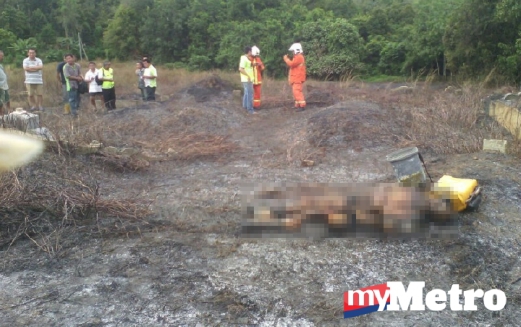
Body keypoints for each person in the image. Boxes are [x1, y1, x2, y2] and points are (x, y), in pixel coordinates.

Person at [283, 43, 307, 112]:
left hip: (298, 78)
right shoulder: (297, 57)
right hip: (296, 78)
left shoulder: (299, 57)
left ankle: (302, 106)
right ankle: (297, 105)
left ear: (296, 50)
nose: (292, 52)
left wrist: (286, 59)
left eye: (293, 51)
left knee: (297, 91)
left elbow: (291, 64)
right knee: (295, 92)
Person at [63, 54, 83, 118]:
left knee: (78, 98)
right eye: (67, 59)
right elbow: (68, 76)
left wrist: (81, 77)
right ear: (65, 60)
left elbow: (80, 73)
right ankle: (74, 113)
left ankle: (77, 110)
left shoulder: (77, 65)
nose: (69, 60)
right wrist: (77, 78)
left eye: (70, 58)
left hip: (78, 84)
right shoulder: (65, 67)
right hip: (71, 85)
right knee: (72, 99)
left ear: (73, 58)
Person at [239, 46, 256, 114]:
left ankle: (245, 107)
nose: (251, 53)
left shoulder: (246, 58)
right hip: (247, 79)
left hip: (248, 79)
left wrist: (253, 64)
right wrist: (248, 76)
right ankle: (250, 110)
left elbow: (247, 67)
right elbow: (241, 69)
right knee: (250, 94)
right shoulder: (244, 58)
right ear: (249, 52)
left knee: (246, 93)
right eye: (251, 51)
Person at [0, 50, 11, 115]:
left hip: (4, 85)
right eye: (1, 56)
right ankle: (0, 115)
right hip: (0, 85)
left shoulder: (1, 65)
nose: (2, 57)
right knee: (0, 101)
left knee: (7, 98)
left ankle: (9, 111)